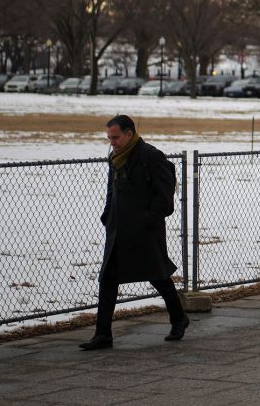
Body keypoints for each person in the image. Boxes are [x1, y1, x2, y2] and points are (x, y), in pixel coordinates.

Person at [79, 114, 189, 350]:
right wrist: (108, 215)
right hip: (118, 229)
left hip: (145, 230)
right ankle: (103, 334)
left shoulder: (151, 156)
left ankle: (179, 318)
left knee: (158, 276)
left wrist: (147, 220)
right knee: (108, 279)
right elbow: (112, 190)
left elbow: (165, 197)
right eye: (109, 138)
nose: (112, 142)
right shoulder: (115, 158)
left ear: (130, 133)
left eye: (116, 137)